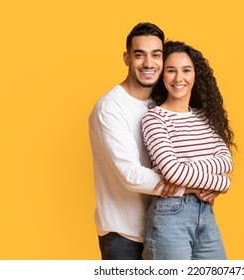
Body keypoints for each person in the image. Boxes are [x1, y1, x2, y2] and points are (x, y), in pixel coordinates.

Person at [88, 23, 214, 260]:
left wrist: (210, 185)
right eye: (139, 55)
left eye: (156, 55)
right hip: (124, 236)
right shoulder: (110, 107)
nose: (148, 63)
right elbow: (131, 175)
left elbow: (191, 154)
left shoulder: (160, 103)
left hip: (166, 227)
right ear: (127, 58)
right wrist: (193, 188)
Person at [141, 41, 235, 260]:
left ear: (195, 75)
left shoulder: (203, 117)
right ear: (162, 76)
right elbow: (172, 172)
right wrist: (222, 183)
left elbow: (226, 161)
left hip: (206, 212)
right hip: (170, 215)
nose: (178, 78)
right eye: (171, 71)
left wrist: (188, 173)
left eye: (186, 70)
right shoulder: (154, 119)